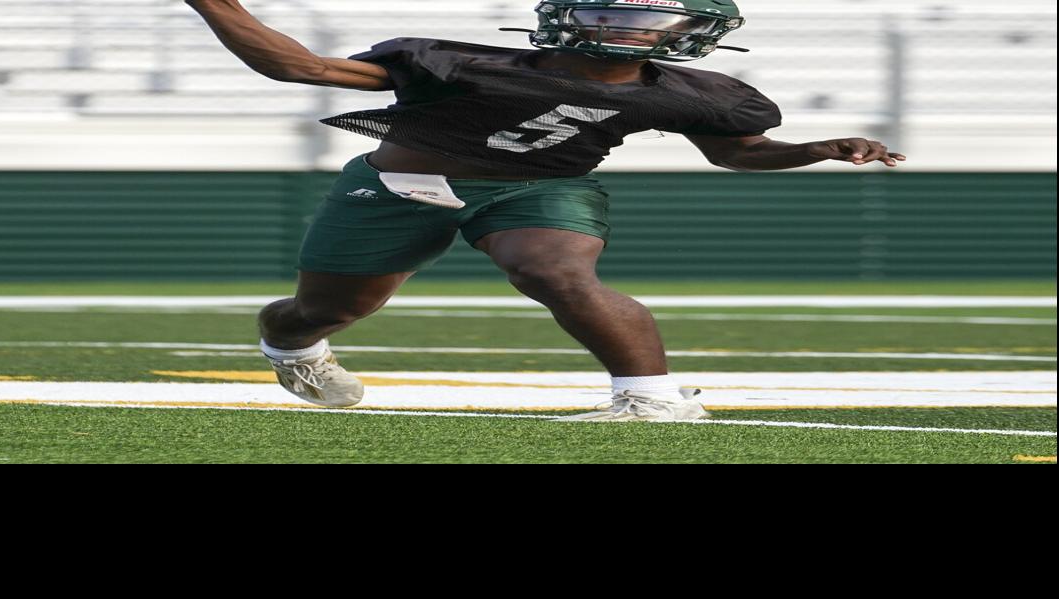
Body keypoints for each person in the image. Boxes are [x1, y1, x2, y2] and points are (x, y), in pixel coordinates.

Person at [187, 0, 906, 422]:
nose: (621, 26)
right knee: (317, 311)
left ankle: (649, 398)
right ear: (565, 16)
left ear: (685, 29)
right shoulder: (459, 63)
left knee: (553, 272)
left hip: (539, 188)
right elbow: (301, 68)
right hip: (400, 186)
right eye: (605, 10)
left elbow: (737, 152)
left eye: (645, 16)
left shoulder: (699, 93)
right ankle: (293, 349)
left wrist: (814, 148)